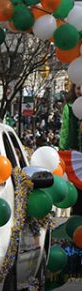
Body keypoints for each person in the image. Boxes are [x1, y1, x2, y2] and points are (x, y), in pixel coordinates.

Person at [60, 83, 82, 214]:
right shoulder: (70, 107)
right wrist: (63, 154)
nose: (80, 91)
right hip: (77, 161)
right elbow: (66, 133)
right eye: (78, 87)